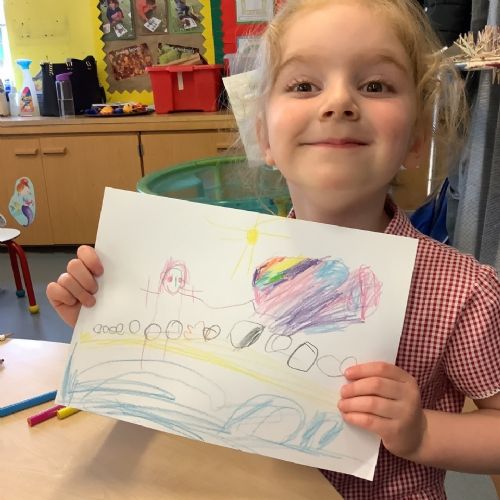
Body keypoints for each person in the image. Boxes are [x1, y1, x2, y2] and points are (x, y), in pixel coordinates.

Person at [47, 0, 499, 498]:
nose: (339, 103)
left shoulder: (462, 290)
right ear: (263, 136)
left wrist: (422, 432)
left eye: (375, 85)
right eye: (304, 85)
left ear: (416, 137)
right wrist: (107, 318)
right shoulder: (223, 271)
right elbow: (184, 391)